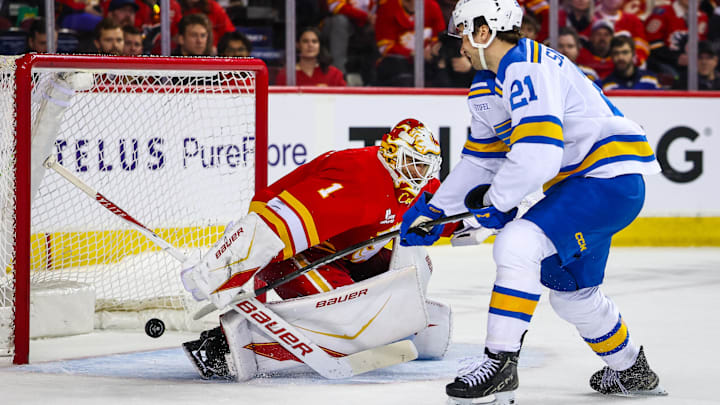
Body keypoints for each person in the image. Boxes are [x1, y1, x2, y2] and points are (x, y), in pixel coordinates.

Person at [399, 0, 666, 403]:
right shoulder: (489, 83)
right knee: (572, 293)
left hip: (606, 179)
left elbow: (539, 154)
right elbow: (480, 161)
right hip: (588, 186)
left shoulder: (527, 66)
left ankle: (500, 363)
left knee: (518, 243)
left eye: (463, 36)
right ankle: (632, 370)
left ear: (484, 31)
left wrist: (497, 206)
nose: (460, 48)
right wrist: (436, 210)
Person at [180, 119, 453, 381]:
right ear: (392, 154)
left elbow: (445, 214)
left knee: (414, 269)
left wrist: (475, 218)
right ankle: (224, 346)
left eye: (426, 167)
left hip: (348, 251)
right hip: (293, 251)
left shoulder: (417, 183)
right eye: (414, 164)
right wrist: (219, 269)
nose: (420, 173)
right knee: (348, 318)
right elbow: (275, 227)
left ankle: (385, 323)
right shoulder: (358, 179)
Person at [374, 0, 446, 86]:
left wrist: (433, 51)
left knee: (443, 74)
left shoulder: (432, 6)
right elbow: (385, 47)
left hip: (428, 62)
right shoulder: (387, 7)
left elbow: (440, 38)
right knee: (402, 77)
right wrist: (414, 54)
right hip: (398, 65)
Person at [645, 0, 710, 79]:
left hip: (693, 64)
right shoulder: (662, 13)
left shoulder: (703, 17)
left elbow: (703, 44)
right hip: (665, 63)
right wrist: (676, 58)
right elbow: (652, 44)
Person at [275, 27, 346, 86]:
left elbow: (345, 100)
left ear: (320, 45)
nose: (310, 45)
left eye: (314, 41)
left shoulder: (334, 74)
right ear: (298, 45)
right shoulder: (286, 75)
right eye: (305, 41)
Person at [594, 0, 649, 67]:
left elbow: (642, 46)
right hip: (596, 65)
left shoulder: (633, 20)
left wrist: (633, 60)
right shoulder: (591, 17)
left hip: (625, 65)